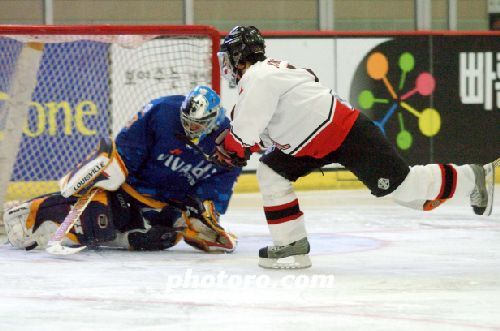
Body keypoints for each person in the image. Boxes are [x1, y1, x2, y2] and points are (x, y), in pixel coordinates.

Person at [213, 26, 498, 269]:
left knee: (406, 190)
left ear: (239, 57)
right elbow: (261, 130)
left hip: (345, 133)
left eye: (228, 58)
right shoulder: (268, 73)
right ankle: (290, 243)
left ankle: (474, 177)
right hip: (313, 141)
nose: (225, 66)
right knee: (271, 170)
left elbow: (243, 136)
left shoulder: (257, 78)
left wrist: (230, 146)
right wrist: (242, 145)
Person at [4, 85, 241, 253]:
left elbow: (216, 189)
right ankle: (25, 213)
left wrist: (204, 216)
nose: (190, 127)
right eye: (186, 121)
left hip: (164, 206)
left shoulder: (229, 145)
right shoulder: (161, 111)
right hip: (129, 187)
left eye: (197, 124)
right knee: (98, 218)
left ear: (212, 119)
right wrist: (113, 174)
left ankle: (115, 233)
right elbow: (127, 151)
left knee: (161, 239)